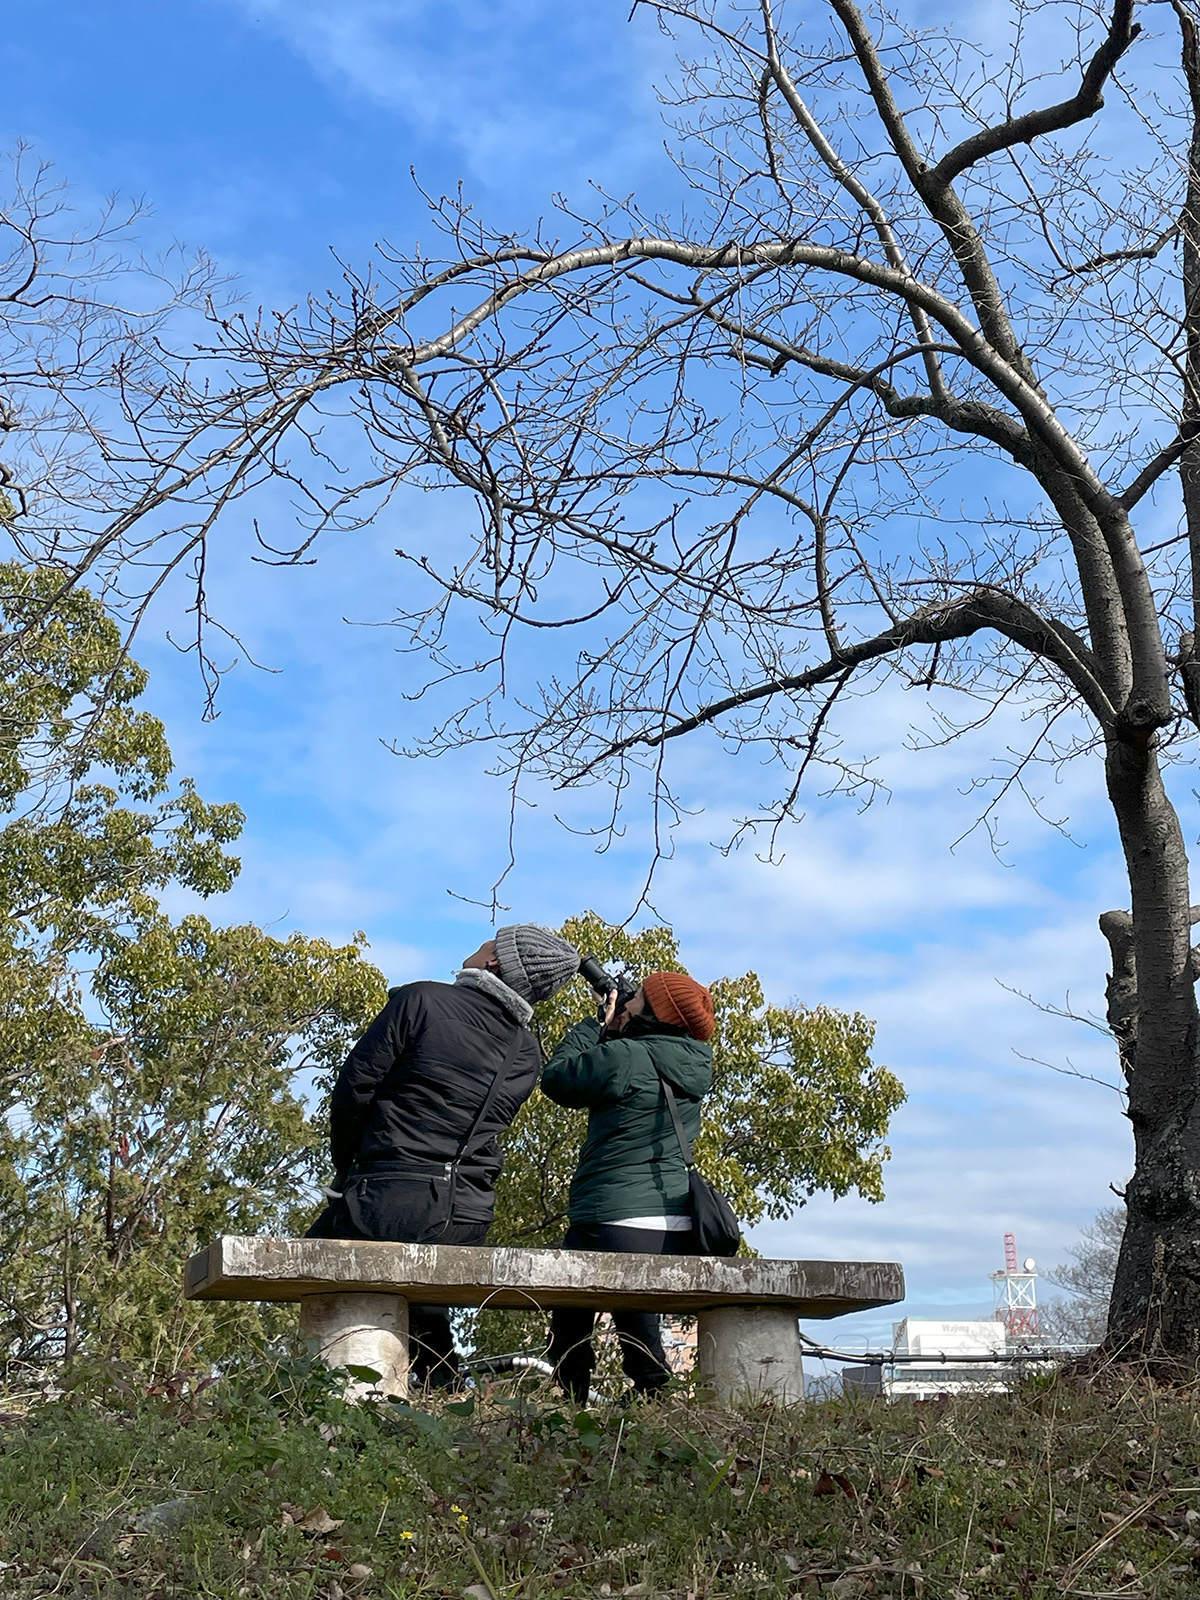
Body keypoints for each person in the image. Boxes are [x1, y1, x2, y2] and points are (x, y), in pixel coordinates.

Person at [306, 923, 580, 1387]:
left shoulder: (421, 1001)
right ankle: (440, 1381)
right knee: (422, 1295)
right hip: (467, 1215)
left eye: (489, 943)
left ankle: (328, 1399)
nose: (478, 946)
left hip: (390, 1199)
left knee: (307, 1258)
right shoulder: (526, 1051)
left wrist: (347, 1173)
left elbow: (353, 1093)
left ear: (495, 962)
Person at [541, 969, 715, 1403]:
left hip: (613, 1217)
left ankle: (570, 1405)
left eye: (639, 999)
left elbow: (559, 1079)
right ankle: (653, 1401)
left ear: (655, 1013)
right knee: (635, 1313)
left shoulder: (626, 1058)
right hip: (675, 1227)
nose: (630, 1001)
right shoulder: (693, 1064)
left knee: (570, 1307)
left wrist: (596, 1023)